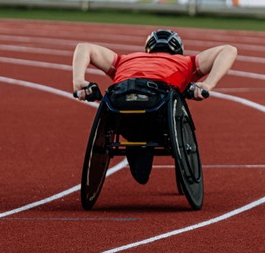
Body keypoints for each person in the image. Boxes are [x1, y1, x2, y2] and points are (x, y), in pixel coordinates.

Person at [72, 29, 237, 184]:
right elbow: (229, 50)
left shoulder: (126, 59)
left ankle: (137, 142)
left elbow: (84, 47)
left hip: (120, 108)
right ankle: (144, 143)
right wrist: (207, 85)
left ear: (148, 49)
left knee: (130, 123)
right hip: (158, 111)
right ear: (178, 50)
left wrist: (78, 81)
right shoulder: (186, 62)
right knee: (160, 110)